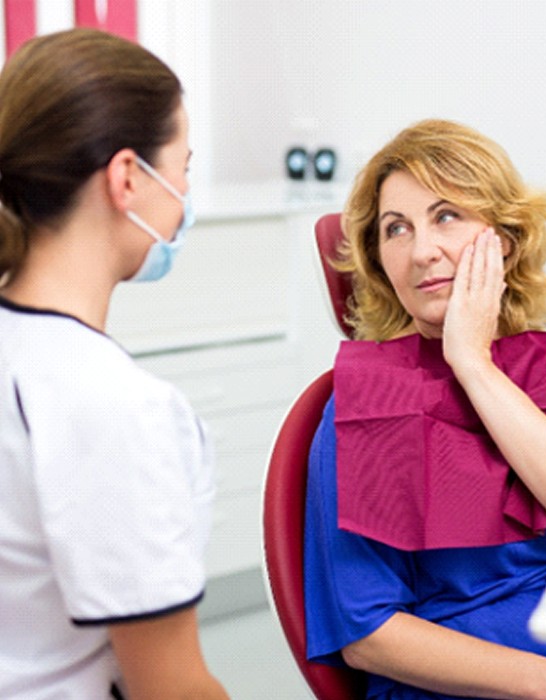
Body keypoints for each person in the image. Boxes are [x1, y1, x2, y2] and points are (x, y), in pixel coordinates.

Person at [304, 118, 546, 699]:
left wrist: (475, 366)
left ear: (505, 238)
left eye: (446, 216)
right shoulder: (365, 404)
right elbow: (367, 631)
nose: (422, 251)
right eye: (396, 229)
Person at [0, 29, 229, 699]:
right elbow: (171, 686)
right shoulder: (109, 404)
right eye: (183, 166)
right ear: (128, 177)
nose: (184, 193)